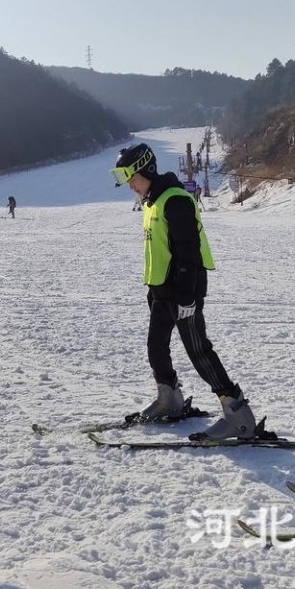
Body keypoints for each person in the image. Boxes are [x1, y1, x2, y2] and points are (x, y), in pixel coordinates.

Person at [112, 143, 257, 439]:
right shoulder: (152, 201)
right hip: (161, 292)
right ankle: (170, 400)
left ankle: (239, 416)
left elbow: (188, 253)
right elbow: (159, 250)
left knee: (199, 352)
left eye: (131, 177)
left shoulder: (175, 200)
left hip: (183, 292)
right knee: (156, 347)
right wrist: (153, 290)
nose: (130, 184)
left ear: (145, 170)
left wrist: (188, 297)